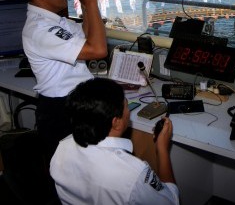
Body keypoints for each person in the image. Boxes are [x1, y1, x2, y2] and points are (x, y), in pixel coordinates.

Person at [16, 0, 107, 161]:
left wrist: (85, 5)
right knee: (73, 179)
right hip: (61, 112)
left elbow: (86, 35)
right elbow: (98, 49)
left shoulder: (56, 22)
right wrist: (92, 2)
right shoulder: (40, 29)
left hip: (74, 104)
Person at [50, 78, 179, 204]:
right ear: (116, 122)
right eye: (126, 105)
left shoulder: (61, 149)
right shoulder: (133, 175)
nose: (128, 111)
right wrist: (162, 148)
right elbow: (171, 201)